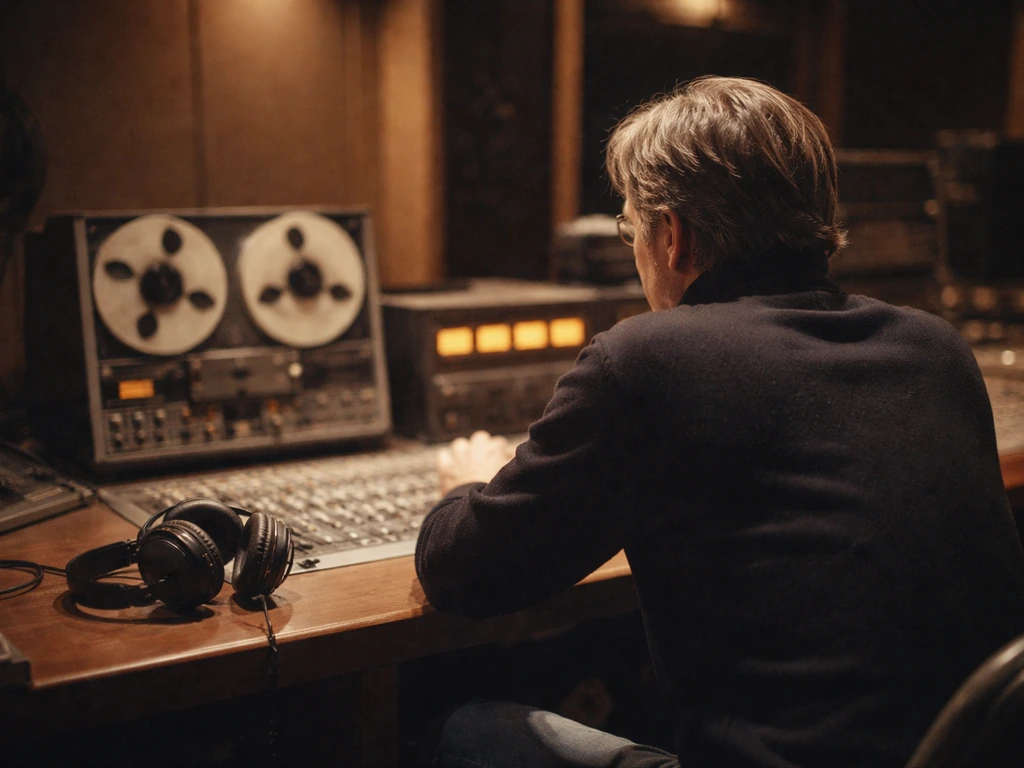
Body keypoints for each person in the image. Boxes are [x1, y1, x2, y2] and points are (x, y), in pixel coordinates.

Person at [413, 76, 1024, 768]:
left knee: (461, 730)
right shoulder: (936, 348)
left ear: (671, 235)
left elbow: (466, 572)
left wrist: (463, 487)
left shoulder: (649, 358)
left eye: (631, 227)